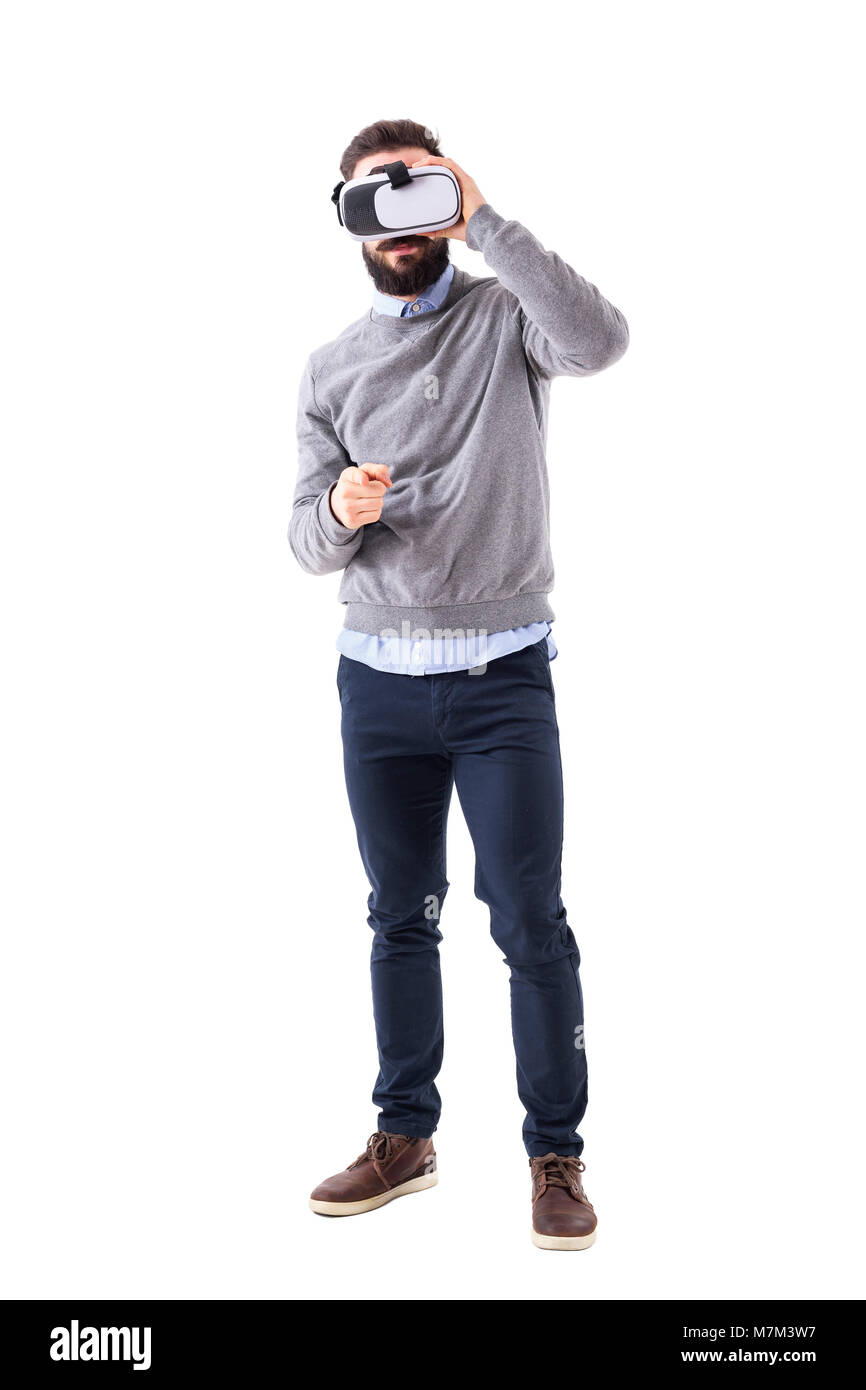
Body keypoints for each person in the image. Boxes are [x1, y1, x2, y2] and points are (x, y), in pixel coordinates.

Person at [289, 118, 629, 1249]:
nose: (396, 223)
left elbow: (599, 341)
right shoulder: (331, 365)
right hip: (376, 685)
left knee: (528, 917)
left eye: (414, 194)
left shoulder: (501, 318)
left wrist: (483, 214)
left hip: (501, 680)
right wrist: (338, 514)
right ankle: (404, 1133)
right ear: (343, 221)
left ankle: (554, 1153)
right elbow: (300, 536)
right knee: (398, 914)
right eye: (369, 202)